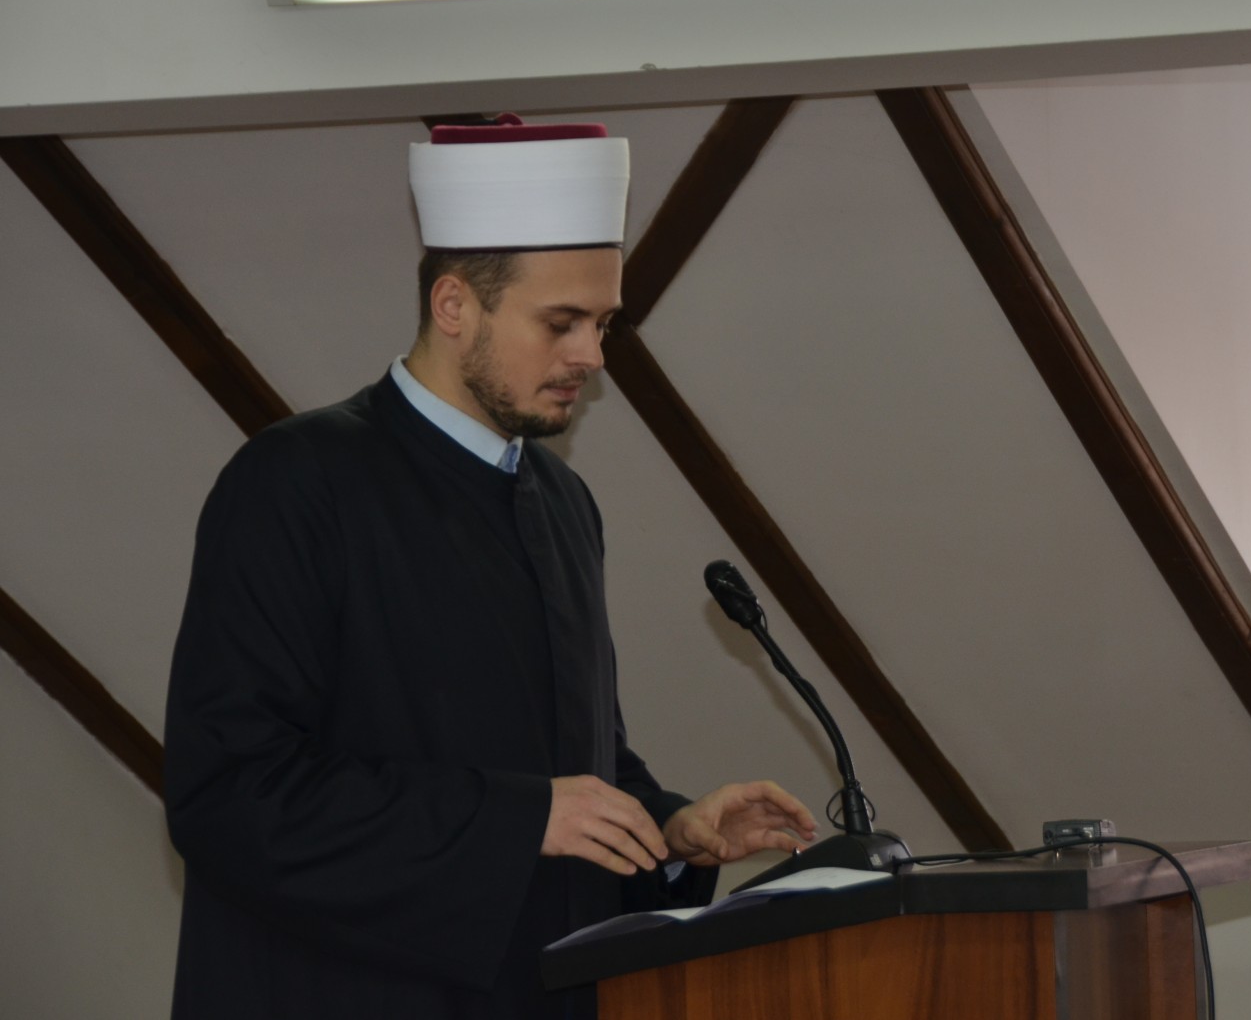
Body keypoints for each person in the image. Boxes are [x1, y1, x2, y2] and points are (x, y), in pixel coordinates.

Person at [163, 116, 816, 1019]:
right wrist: (520, 818)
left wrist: (670, 829)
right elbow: (230, 794)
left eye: (602, 323)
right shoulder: (296, 482)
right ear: (454, 305)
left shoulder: (563, 501)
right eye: (562, 322)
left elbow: (580, 761)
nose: (592, 357)